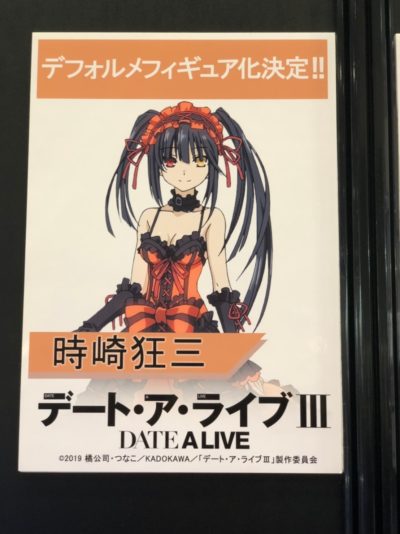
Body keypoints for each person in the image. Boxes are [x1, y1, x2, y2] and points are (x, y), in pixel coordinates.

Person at [77, 101, 273, 394]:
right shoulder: (149, 217)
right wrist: (90, 328)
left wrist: (236, 354)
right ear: (157, 163)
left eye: (199, 160)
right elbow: (134, 286)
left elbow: (221, 285)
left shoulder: (211, 218)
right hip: (142, 326)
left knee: (214, 403)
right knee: (102, 401)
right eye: (171, 160)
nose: (185, 172)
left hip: (191, 326)